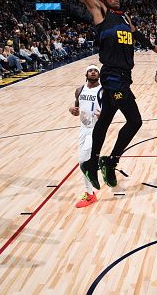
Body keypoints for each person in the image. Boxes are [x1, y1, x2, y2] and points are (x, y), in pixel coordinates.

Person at [52, 0, 157, 190]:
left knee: (104, 123)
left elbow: (136, 33)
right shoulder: (100, 13)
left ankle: (91, 163)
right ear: (103, 0)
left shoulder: (125, 17)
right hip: (111, 75)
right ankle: (109, 162)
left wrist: (152, 45)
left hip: (124, 76)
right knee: (135, 121)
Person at [69, 65, 103, 208]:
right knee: (85, 161)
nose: (93, 72)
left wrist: (103, 115)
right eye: (90, 70)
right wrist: (73, 110)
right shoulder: (79, 90)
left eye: (96, 70)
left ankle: (90, 194)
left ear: (99, 75)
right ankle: (91, 190)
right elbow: (77, 109)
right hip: (83, 129)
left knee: (83, 161)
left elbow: (110, 112)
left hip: (95, 129)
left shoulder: (103, 91)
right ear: (86, 74)